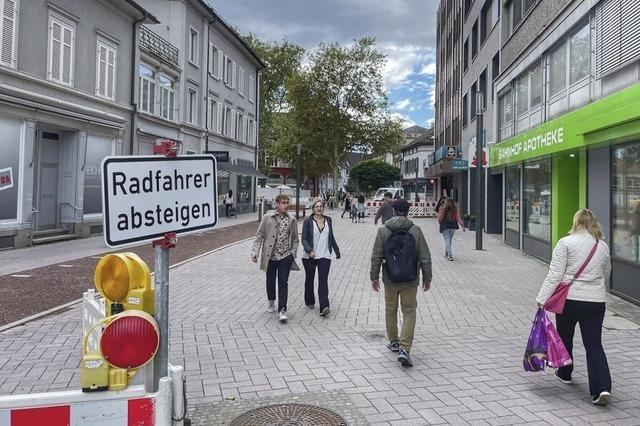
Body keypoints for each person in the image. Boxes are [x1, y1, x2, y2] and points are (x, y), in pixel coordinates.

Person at [535, 209, 612, 406]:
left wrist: (542, 298)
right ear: (593, 223)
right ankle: (602, 388)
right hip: (596, 302)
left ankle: (565, 372)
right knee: (594, 344)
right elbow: (607, 272)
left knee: (565, 337)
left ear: (576, 222)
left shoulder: (565, 243)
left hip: (569, 300)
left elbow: (555, 274)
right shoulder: (602, 246)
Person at [370, 199, 432, 367]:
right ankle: (405, 348)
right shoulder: (416, 230)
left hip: (390, 278)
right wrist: (427, 279)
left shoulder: (383, 230)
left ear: (394, 210)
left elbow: (376, 256)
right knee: (409, 311)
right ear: (408, 210)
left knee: (391, 309)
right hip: (410, 278)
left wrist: (373, 277)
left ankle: (394, 342)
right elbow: (425, 257)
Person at [251, 194, 300, 323]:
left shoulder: (291, 219)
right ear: (277, 204)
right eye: (283, 203)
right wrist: (255, 252)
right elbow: (259, 236)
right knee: (270, 280)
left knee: (283, 282)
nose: (286, 205)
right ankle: (271, 301)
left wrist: (293, 253)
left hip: (285, 256)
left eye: (287, 202)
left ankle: (282, 310)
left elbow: (295, 239)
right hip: (270, 256)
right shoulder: (267, 218)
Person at [301, 200, 341, 317]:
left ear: (324, 208)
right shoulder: (308, 221)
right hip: (310, 256)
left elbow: (331, 236)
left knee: (323, 281)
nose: (319, 208)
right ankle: (309, 300)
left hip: (325, 255)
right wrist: (309, 250)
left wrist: (336, 250)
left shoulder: (328, 220)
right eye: (317, 206)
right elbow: (303, 239)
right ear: (313, 208)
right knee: (310, 278)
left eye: (321, 206)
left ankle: (324, 306)